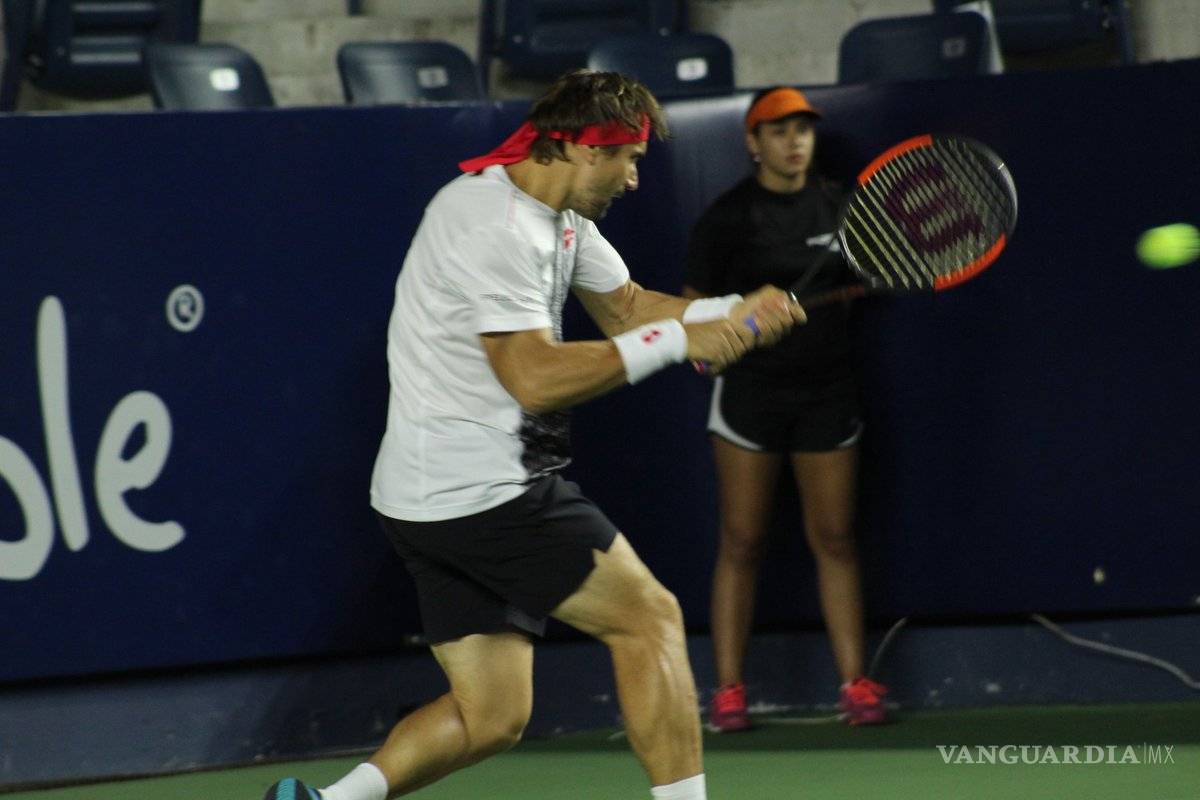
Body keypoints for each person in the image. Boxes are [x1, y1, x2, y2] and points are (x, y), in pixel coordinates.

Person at [263, 70, 805, 800]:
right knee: (650, 619)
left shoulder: (558, 219)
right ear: (585, 150)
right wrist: (687, 341)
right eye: (629, 158)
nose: (636, 179)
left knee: (491, 716)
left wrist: (739, 310)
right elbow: (535, 378)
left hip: (424, 499)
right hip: (483, 493)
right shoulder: (491, 223)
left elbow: (630, 307)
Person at [681, 86, 888, 732]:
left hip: (828, 394)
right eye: (778, 130)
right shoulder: (727, 219)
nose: (794, 140)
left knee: (834, 538)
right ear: (753, 142)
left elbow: (872, 279)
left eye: (802, 129)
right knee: (742, 541)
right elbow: (691, 316)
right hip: (751, 396)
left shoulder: (843, 207)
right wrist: (729, 335)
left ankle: (857, 685)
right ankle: (729, 693)